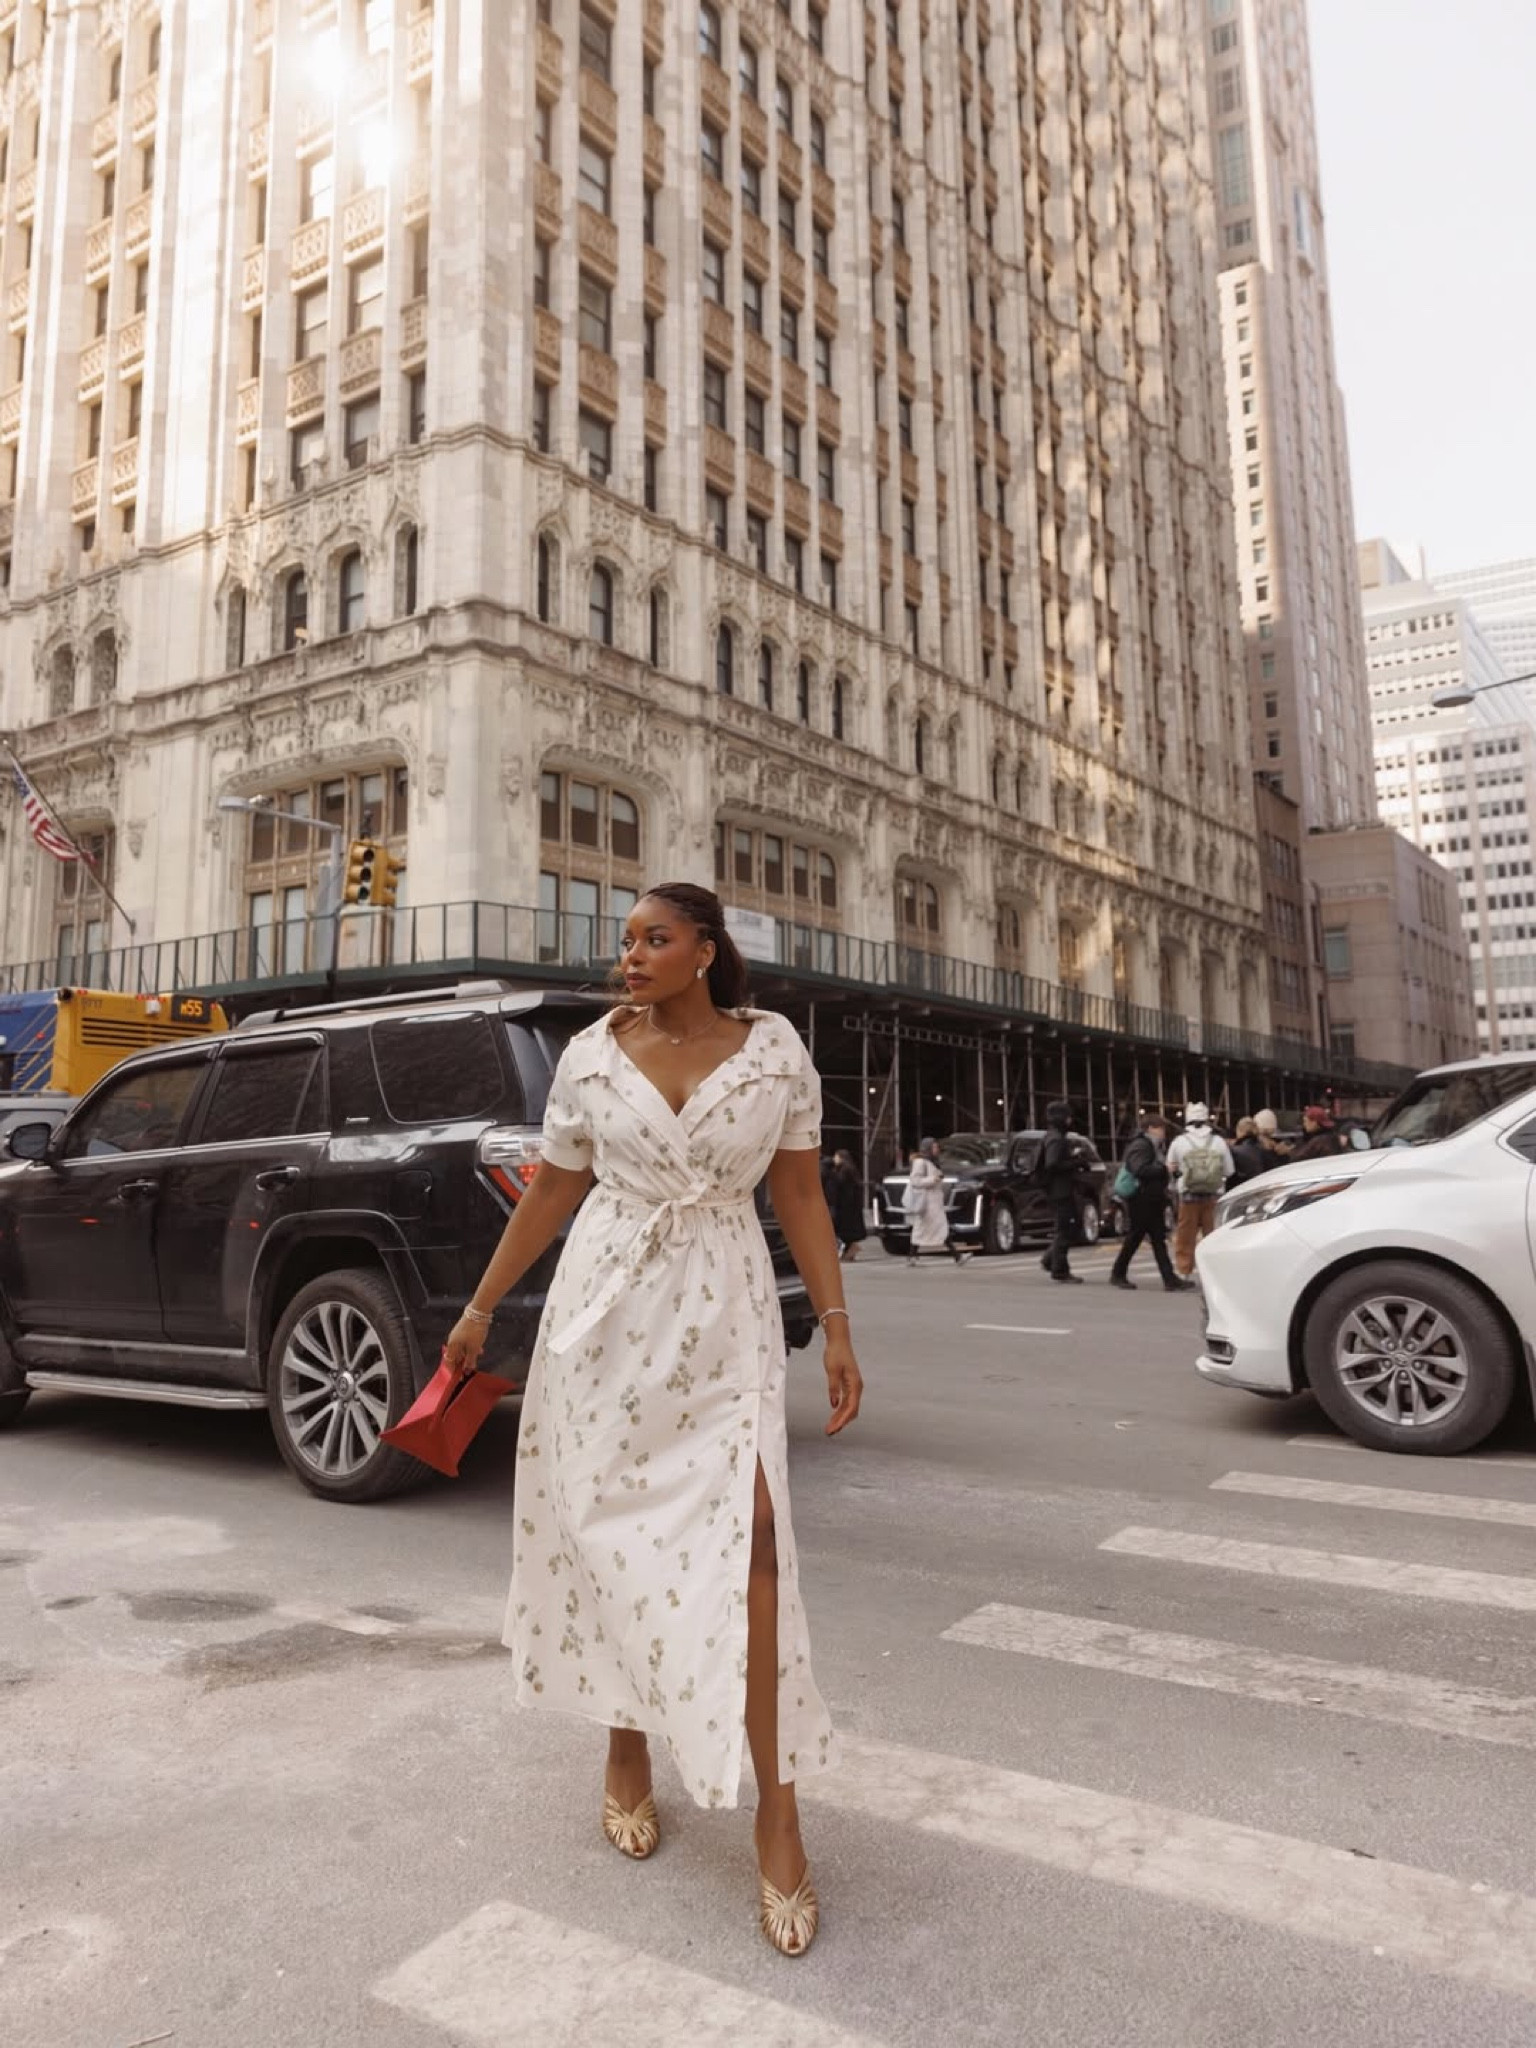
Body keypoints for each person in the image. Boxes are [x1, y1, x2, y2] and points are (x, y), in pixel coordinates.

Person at [443, 881, 864, 1959]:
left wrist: (839, 1322)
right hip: (606, 1312)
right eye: (623, 939)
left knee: (755, 1547)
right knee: (613, 1538)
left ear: (705, 951)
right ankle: (626, 1741)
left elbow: (803, 1196)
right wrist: (482, 1306)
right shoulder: (587, 1055)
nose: (628, 954)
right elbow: (549, 1190)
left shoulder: (775, 1054)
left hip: (725, 1311)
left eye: (652, 938)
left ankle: (780, 1809)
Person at [1109, 1116, 1189, 1291]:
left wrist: (1169, 1172)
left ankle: (1168, 1279)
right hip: (1142, 1198)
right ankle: (1119, 1273)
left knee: (1153, 1238)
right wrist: (1164, 1169)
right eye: (1160, 1128)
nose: (1163, 1132)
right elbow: (1140, 1169)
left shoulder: (1149, 1146)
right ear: (1150, 1128)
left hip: (1150, 1198)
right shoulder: (1141, 1146)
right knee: (1138, 1237)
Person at [1166, 1102, 1234, 1279]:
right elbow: (1229, 1170)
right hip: (1214, 1195)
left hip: (1188, 1196)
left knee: (1185, 1235)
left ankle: (1184, 1271)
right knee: (1213, 1235)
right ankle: (1216, 1271)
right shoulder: (1218, 1142)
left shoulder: (1179, 1142)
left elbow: (1171, 1167)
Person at [903, 1137, 973, 1267]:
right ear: (928, 1148)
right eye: (934, 1147)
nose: (937, 1149)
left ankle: (913, 1256)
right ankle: (957, 1257)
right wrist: (933, 1179)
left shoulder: (932, 1162)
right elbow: (915, 1181)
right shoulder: (920, 1162)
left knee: (929, 1229)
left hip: (934, 1203)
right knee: (930, 1229)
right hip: (927, 1203)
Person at [1039, 1099, 1083, 1286]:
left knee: (1069, 1227)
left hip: (1059, 1189)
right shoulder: (1056, 1138)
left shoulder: (1053, 1136)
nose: (1070, 1120)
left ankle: (1051, 1259)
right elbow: (1052, 1164)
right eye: (1067, 1116)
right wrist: (1075, 1162)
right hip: (1060, 1190)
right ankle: (1059, 1269)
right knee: (1066, 1229)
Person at [826, 1147, 868, 1261]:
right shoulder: (849, 1169)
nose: (834, 1159)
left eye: (836, 1156)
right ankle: (849, 1250)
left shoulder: (844, 1170)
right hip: (850, 1205)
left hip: (846, 1206)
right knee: (846, 1231)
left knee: (842, 1229)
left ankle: (850, 1249)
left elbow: (839, 1184)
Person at [1228, 1116, 1269, 1185]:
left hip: (1242, 1190)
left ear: (1239, 1130)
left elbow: (1229, 1172)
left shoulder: (1234, 1151)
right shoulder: (1265, 1149)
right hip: (1261, 1187)